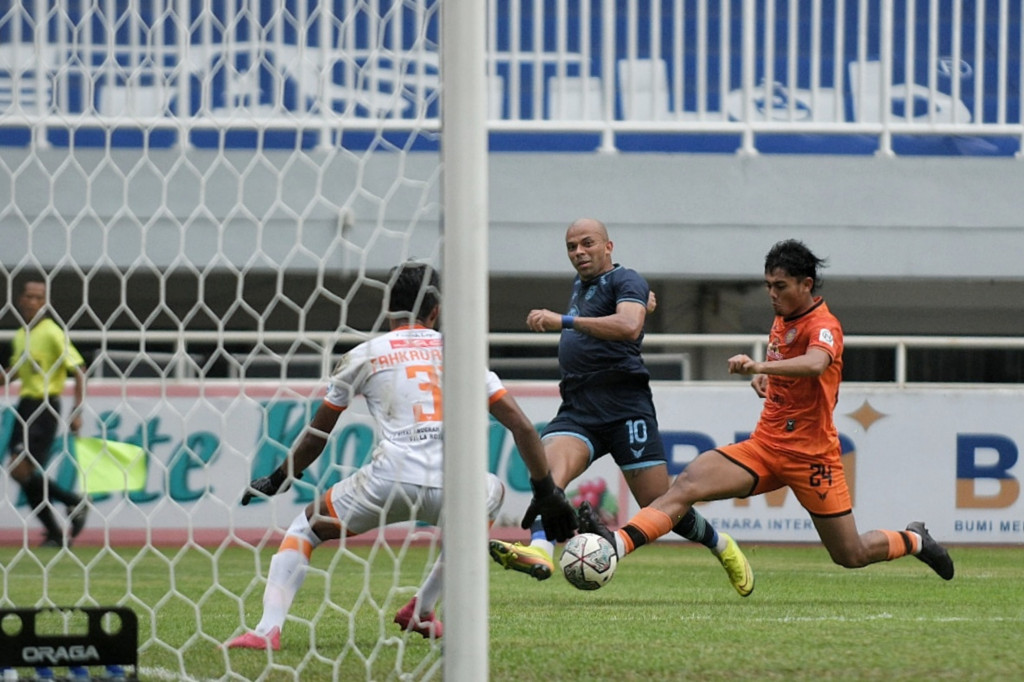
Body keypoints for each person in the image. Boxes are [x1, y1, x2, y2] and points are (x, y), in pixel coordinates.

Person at [225, 262, 577, 650]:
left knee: (304, 530)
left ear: (388, 309)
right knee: (489, 493)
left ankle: (266, 631)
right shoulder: (460, 353)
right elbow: (524, 428)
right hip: (454, 487)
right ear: (435, 311)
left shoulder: (364, 354)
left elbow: (317, 434)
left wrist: (278, 477)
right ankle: (423, 608)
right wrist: (546, 491)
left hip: (386, 482)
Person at [578, 239, 954, 582]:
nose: (772, 294)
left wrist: (759, 368)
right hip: (765, 447)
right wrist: (768, 383)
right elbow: (795, 372)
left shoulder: (825, 325)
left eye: (781, 287)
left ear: (806, 285)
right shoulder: (782, 320)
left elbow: (814, 365)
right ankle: (614, 545)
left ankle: (914, 539)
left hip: (812, 457)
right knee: (688, 484)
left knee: (849, 553)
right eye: (768, 286)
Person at [488, 218, 754, 597]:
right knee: (548, 476)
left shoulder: (627, 279)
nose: (579, 252)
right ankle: (541, 550)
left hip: (626, 408)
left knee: (659, 505)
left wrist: (562, 320)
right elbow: (623, 312)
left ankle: (721, 545)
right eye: (571, 247)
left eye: (587, 243)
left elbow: (629, 327)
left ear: (608, 246)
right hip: (579, 407)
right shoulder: (584, 286)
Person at [1, 275, 88, 547]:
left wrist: (76, 411)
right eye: (30, 296)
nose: (34, 302)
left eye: (40, 298)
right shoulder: (21, 335)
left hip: (46, 405)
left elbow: (79, 370)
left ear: (45, 302)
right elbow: (13, 375)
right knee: (21, 472)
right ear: (20, 299)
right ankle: (59, 523)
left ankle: (71, 506)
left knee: (19, 467)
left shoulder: (52, 332)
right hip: (26, 405)